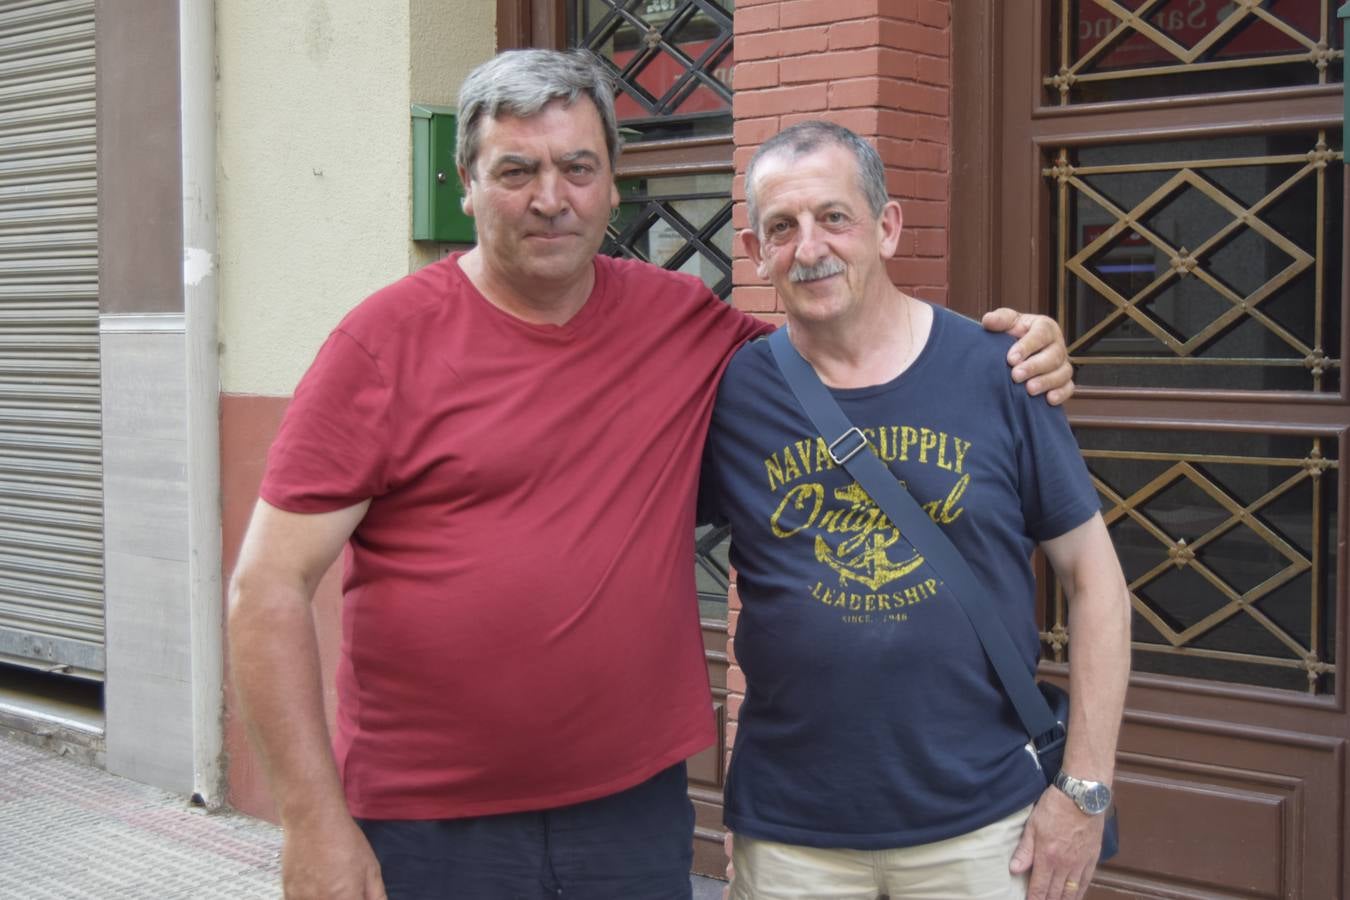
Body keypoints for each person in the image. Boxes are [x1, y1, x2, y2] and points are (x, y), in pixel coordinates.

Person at [227, 50, 1078, 900]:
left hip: (630, 813)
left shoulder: (679, 322)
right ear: (467, 184)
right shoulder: (380, 346)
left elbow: (847, 346)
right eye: (516, 170)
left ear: (611, 184)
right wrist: (312, 821)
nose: (550, 197)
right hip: (433, 823)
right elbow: (266, 590)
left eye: (577, 168)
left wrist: (1003, 351)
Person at [699, 121, 1131, 900]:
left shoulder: (1001, 372)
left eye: (835, 217)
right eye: (782, 228)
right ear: (756, 250)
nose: (810, 247)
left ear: (887, 227)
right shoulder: (731, 395)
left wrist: (1086, 789)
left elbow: (1096, 582)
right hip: (793, 834)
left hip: (985, 827)